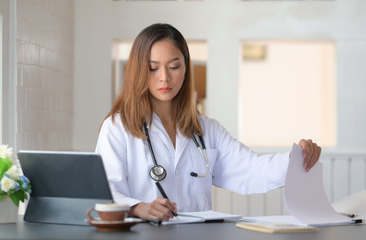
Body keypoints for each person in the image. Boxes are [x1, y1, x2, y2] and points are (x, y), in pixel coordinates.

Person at [95, 23, 321, 222]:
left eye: (174, 66)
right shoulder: (117, 128)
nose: (164, 77)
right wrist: (139, 208)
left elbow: (250, 170)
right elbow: (106, 190)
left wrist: (293, 158)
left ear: (185, 68)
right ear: (138, 71)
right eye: (153, 68)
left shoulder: (206, 130)